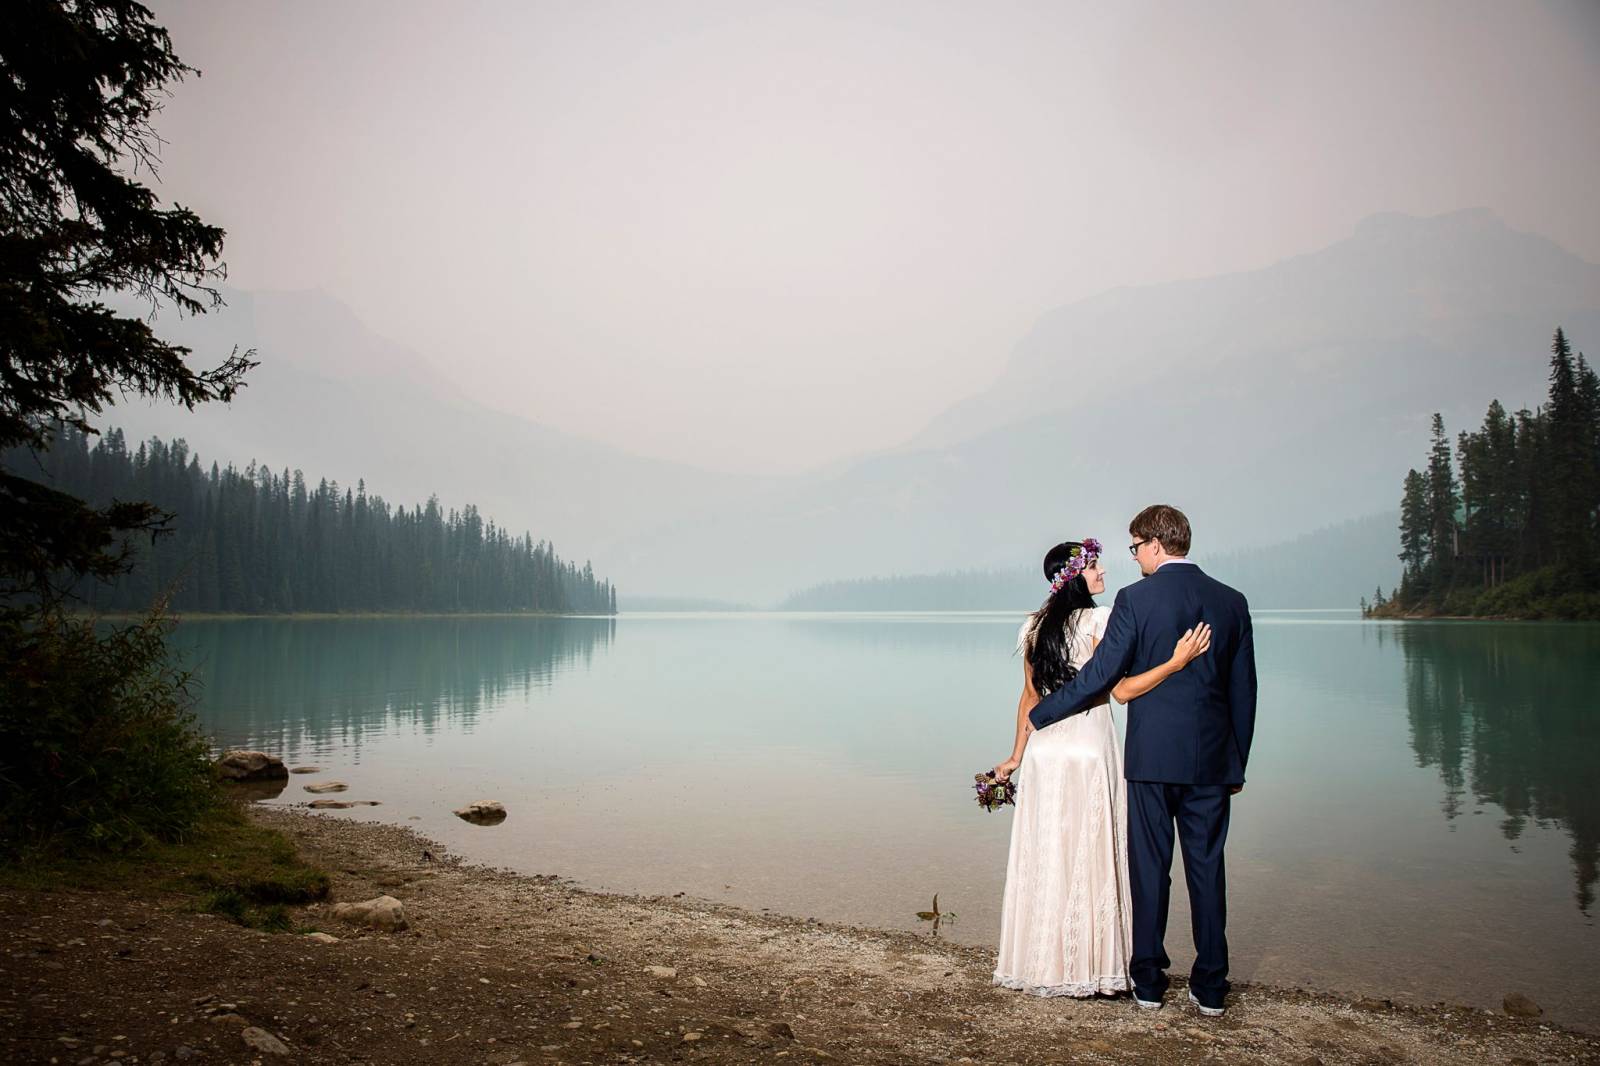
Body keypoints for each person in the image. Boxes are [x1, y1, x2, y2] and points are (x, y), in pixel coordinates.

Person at [1026, 505, 1256, 1017]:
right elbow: (1245, 692)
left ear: (1155, 544)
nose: (1132, 558)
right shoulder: (1232, 602)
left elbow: (1101, 676)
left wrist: (1043, 714)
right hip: (1214, 763)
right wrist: (1237, 762)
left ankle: (1149, 982)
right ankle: (1212, 987)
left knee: (1150, 870)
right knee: (1207, 868)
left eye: (1134, 548)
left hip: (1151, 759)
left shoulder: (1136, 600)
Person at [991, 537, 1212, 999]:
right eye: (1095, 568)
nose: (1104, 574)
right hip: (1089, 745)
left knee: (1049, 852)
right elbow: (1114, 686)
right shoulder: (1099, 619)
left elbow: (1030, 699)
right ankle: (1093, 966)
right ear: (1075, 577)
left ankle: (1044, 962)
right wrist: (1175, 663)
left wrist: (1015, 756)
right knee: (1092, 853)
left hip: (1046, 751)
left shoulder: (1032, 626)